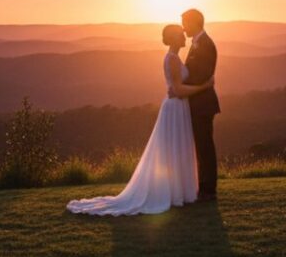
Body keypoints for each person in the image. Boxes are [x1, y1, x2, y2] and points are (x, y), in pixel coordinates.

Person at [66, 24, 214, 216]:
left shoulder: (174, 58)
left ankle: (179, 191)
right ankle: (173, 193)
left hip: (179, 108)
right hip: (175, 108)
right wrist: (205, 86)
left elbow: (178, 87)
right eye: (180, 34)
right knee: (173, 148)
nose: (184, 36)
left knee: (177, 148)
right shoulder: (172, 59)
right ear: (174, 38)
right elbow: (178, 90)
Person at [177, 8, 220, 201]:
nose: (183, 27)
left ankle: (208, 190)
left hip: (203, 105)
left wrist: (179, 87)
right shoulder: (197, 43)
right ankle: (202, 186)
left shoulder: (205, 44)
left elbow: (200, 76)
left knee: (205, 147)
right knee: (200, 147)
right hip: (196, 103)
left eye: (185, 23)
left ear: (195, 23)